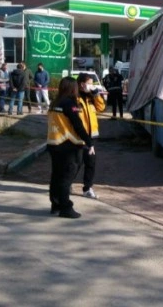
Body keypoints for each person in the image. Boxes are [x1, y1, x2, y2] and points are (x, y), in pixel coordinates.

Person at [46, 77, 94, 219]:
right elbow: (77, 125)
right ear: (73, 88)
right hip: (68, 145)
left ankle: (55, 205)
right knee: (66, 178)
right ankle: (66, 207)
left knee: (56, 176)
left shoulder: (55, 102)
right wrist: (89, 142)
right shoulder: (70, 103)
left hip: (54, 143)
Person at [76, 72, 106, 199]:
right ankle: (65, 184)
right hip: (78, 138)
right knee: (75, 164)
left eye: (91, 84)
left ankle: (87, 188)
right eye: (89, 83)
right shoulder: (75, 98)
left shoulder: (91, 97)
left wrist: (95, 94)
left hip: (91, 138)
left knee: (90, 164)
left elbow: (101, 107)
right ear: (81, 84)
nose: (91, 86)